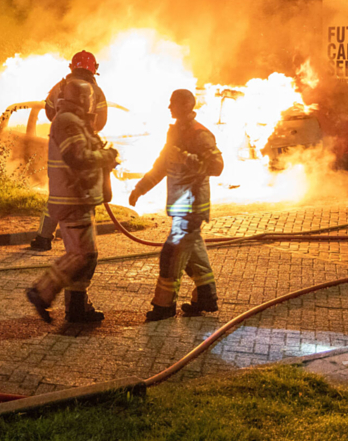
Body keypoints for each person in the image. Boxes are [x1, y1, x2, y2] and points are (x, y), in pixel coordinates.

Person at [25, 79, 118, 323]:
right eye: (90, 99)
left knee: (85, 255)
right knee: (82, 254)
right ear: (82, 99)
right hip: (72, 198)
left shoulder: (74, 121)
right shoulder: (67, 121)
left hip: (78, 197)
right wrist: (105, 155)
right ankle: (43, 292)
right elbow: (77, 157)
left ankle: (77, 308)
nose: (92, 104)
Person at [129, 89, 224, 321]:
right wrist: (140, 188)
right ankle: (206, 297)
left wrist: (189, 159)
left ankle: (164, 307)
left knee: (171, 256)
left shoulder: (199, 134)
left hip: (192, 208)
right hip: (181, 207)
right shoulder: (175, 134)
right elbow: (161, 166)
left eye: (173, 104)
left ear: (185, 106)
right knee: (195, 256)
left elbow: (217, 166)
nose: (169, 107)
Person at [29, 50, 109, 252]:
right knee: (85, 195)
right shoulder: (96, 92)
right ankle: (81, 245)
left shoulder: (60, 87)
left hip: (58, 151)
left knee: (57, 196)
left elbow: (48, 110)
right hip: (83, 149)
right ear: (94, 69)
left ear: (72, 66)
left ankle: (44, 238)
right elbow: (101, 122)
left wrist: (61, 123)